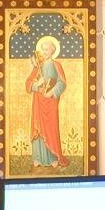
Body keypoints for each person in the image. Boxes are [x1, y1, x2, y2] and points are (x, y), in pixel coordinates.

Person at [25, 34, 66, 167]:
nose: (44, 52)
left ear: (53, 50)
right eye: (43, 49)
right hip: (38, 100)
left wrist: (52, 92)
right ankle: (38, 157)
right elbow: (28, 83)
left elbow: (62, 83)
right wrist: (38, 84)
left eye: (47, 49)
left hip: (51, 101)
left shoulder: (56, 65)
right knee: (38, 126)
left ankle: (53, 157)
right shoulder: (38, 66)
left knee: (51, 127)